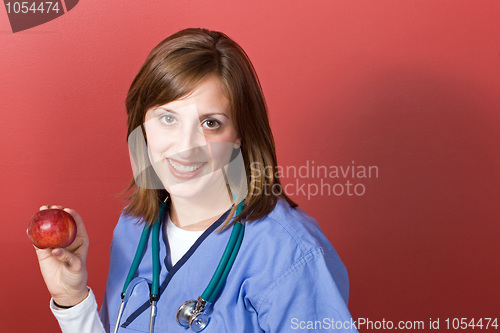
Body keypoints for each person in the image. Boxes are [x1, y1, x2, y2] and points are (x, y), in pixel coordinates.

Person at [31, 28, 358, 332]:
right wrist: (72, 299)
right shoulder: (135, 228)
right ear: (141, 127)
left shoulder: (287, 253)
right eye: (168, 118)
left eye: (211, 123)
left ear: (239, 134)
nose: (186, 146)